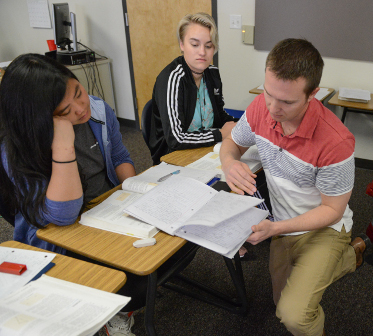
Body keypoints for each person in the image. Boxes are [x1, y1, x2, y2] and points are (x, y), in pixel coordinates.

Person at [220, 38, 372, 336]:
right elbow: (231, 142)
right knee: (280, 303)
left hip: (324, 228)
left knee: (294, 316)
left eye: (287, 102)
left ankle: (342, 251)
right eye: (268, 94)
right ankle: (352, 255)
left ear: (313, 94)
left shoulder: (336, 143)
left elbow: (331, 210)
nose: (273, 108)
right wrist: (229, 163)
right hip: (282, 227)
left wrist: (275, 229)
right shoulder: (260, 108)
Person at [0, 53, 137, 336]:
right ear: (40, 118)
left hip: (106, 213)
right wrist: (63, 142)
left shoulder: (98, 110)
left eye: (78, 92)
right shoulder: (17, 147)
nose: (80, 108)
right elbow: (62, 215)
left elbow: (120, 155)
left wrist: (135, 192)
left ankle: (120, 308)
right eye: (64, 111)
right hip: (59, 236)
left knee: (155, 257)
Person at [149, 12, 237, 165]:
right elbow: (175, 139)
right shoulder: (172, 79)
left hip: (208, 149)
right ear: (182, 44)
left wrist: (240, 126)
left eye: (208, 46)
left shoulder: (212, 73)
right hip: (174, 157)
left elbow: (219, 116)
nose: (202, 52)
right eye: (195, 44)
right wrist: (220, 134)